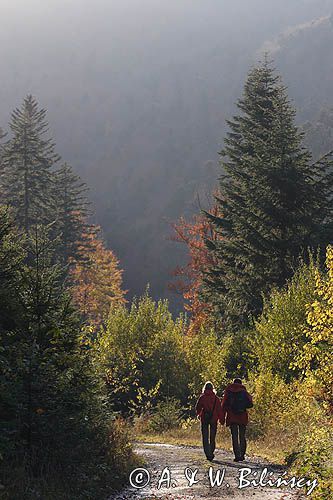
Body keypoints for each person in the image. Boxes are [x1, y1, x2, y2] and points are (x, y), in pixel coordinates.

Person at [220, 378, 253, 462]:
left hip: (232, 416)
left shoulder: (228, 390)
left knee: (234, 436)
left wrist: (222, 418)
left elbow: (223, 405)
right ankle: (242, 454)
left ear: (233, 382)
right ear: (240, 383)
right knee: (242, 436)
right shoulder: (244, 391)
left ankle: (237, 455)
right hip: (242, 416)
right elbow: (250, 404)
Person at [195, 381, 223, 461]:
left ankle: (208, 453)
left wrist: (199, 414)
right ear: (212, 388)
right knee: (212, 436)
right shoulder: (216, 398)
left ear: (205, 388)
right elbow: (219, 409)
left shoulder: (202, 397)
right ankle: (211, 451)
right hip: (213, 419)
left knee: (205, 437)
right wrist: (221, 419)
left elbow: (198, 407)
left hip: (204, 418)